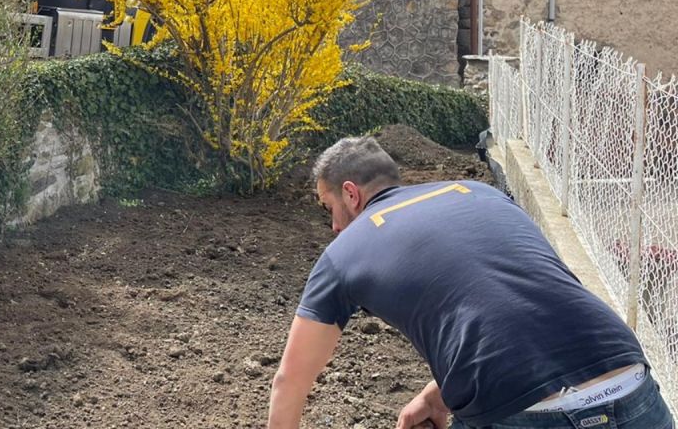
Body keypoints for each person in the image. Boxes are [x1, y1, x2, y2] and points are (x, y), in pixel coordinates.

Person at [267, 136, 671, 429]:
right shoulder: (479, 193)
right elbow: (526, 307)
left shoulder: (345, 250)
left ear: (351, 194)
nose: (334, 226)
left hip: (522, 412)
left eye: (329, 207)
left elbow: (290, 381)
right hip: (631, 383)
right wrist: (437, 396)